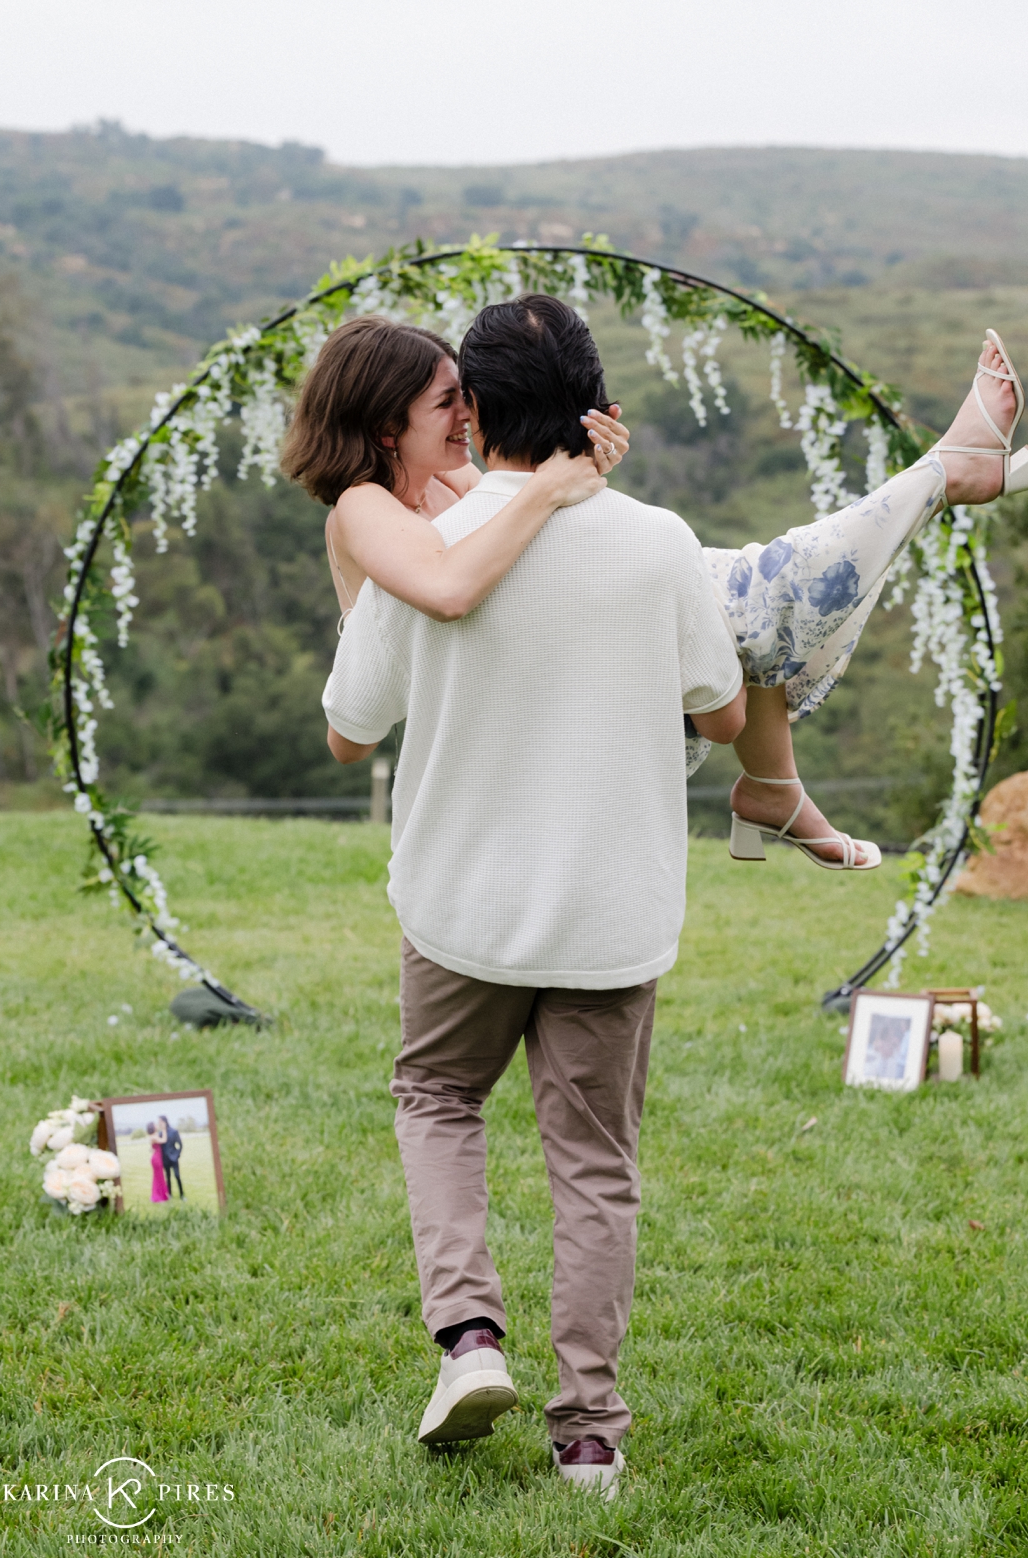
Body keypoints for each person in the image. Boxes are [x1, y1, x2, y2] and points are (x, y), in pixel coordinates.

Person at [319, 295, 748, 1497]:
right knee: (595, 1166)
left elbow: (352, 731)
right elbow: (719, 711)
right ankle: (590, 1437)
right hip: (611, 913)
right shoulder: (660, 540)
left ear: (476, 414)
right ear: (596, 405)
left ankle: (468, 1342)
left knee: (438, 1099)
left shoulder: (428, 544)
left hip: (461, 904)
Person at [289, 310, 1028, 874]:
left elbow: (517, 517)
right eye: (450, 401)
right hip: (502, 695)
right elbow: (451, 589)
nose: (470, 414)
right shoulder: (362, 507)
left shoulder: (447, 477)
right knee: (753, 594)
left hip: (560, 655)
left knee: (740, 605)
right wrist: (554, 484)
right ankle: (942, 473)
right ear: (390, 425)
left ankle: (776, 784)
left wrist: (580, 463)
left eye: (469, 397)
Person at [159, 1115, 184, 1197]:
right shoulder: (160, 1133)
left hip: (174, 1158)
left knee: (177, 1176)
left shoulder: (174, 1131)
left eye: (160, 1121)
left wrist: (177, 1155)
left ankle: (182, 1195)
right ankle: (169, 1194)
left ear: (164, 1121)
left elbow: (180, 1145)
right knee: (168, 1177)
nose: (159, 1123)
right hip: (165, 1159)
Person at [148, 1122, 169, 1204]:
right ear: (153, 1128)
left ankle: (160, 1195)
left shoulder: (154, 1135)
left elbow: (151, 1148)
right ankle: (158, 1197)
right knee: (159, 1177)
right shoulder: (154, 1137)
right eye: (155, 1125)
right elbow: (164, 1140)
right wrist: (164, 1130)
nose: (156, 1126)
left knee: (158, 1177)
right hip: (156, 1159)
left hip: (156, 1158)